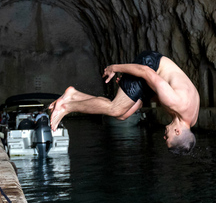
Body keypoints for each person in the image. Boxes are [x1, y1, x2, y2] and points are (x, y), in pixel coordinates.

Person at [49, 51, 199, 154]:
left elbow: (162, 94)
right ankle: (66, 106)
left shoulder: (189, 119)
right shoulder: (176, 102)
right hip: (150, 64)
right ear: (178, 132)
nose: (164, 136)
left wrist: (136, 96)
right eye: (168, 138)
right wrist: (114, 68)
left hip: (152, 82)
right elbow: (146, 71)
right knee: (116, 109)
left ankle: (74, 95)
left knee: (123, 114)